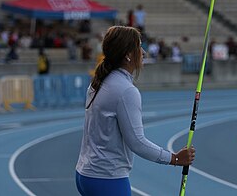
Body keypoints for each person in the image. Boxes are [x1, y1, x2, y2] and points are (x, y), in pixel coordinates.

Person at [75, 26, 195, 196]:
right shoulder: (126, 91)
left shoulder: (99, 81)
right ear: (128, 55)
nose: (143, 52)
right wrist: (175, 159)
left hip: (85, 174)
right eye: (139, 46)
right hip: (107, 179)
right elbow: (137, 142)